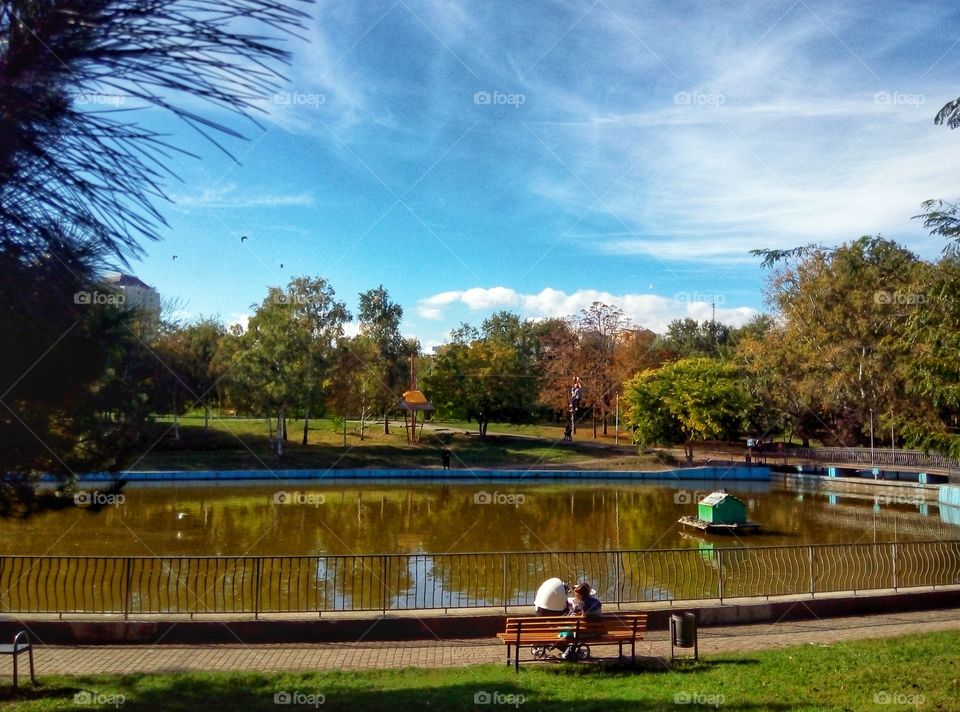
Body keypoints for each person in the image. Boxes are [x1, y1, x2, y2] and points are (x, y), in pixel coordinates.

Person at [558, 581, 602, 661]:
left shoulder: (582, 604)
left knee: (563, 633)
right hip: (598, 631)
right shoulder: (597, 602)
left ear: (581, 595)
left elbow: (583, 620)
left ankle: (567, 654)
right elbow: (588, 616)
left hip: (585, 633)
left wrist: (574, 617)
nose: (575, 595)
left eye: (576, 594)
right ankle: (569, 653)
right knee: (573, 631)